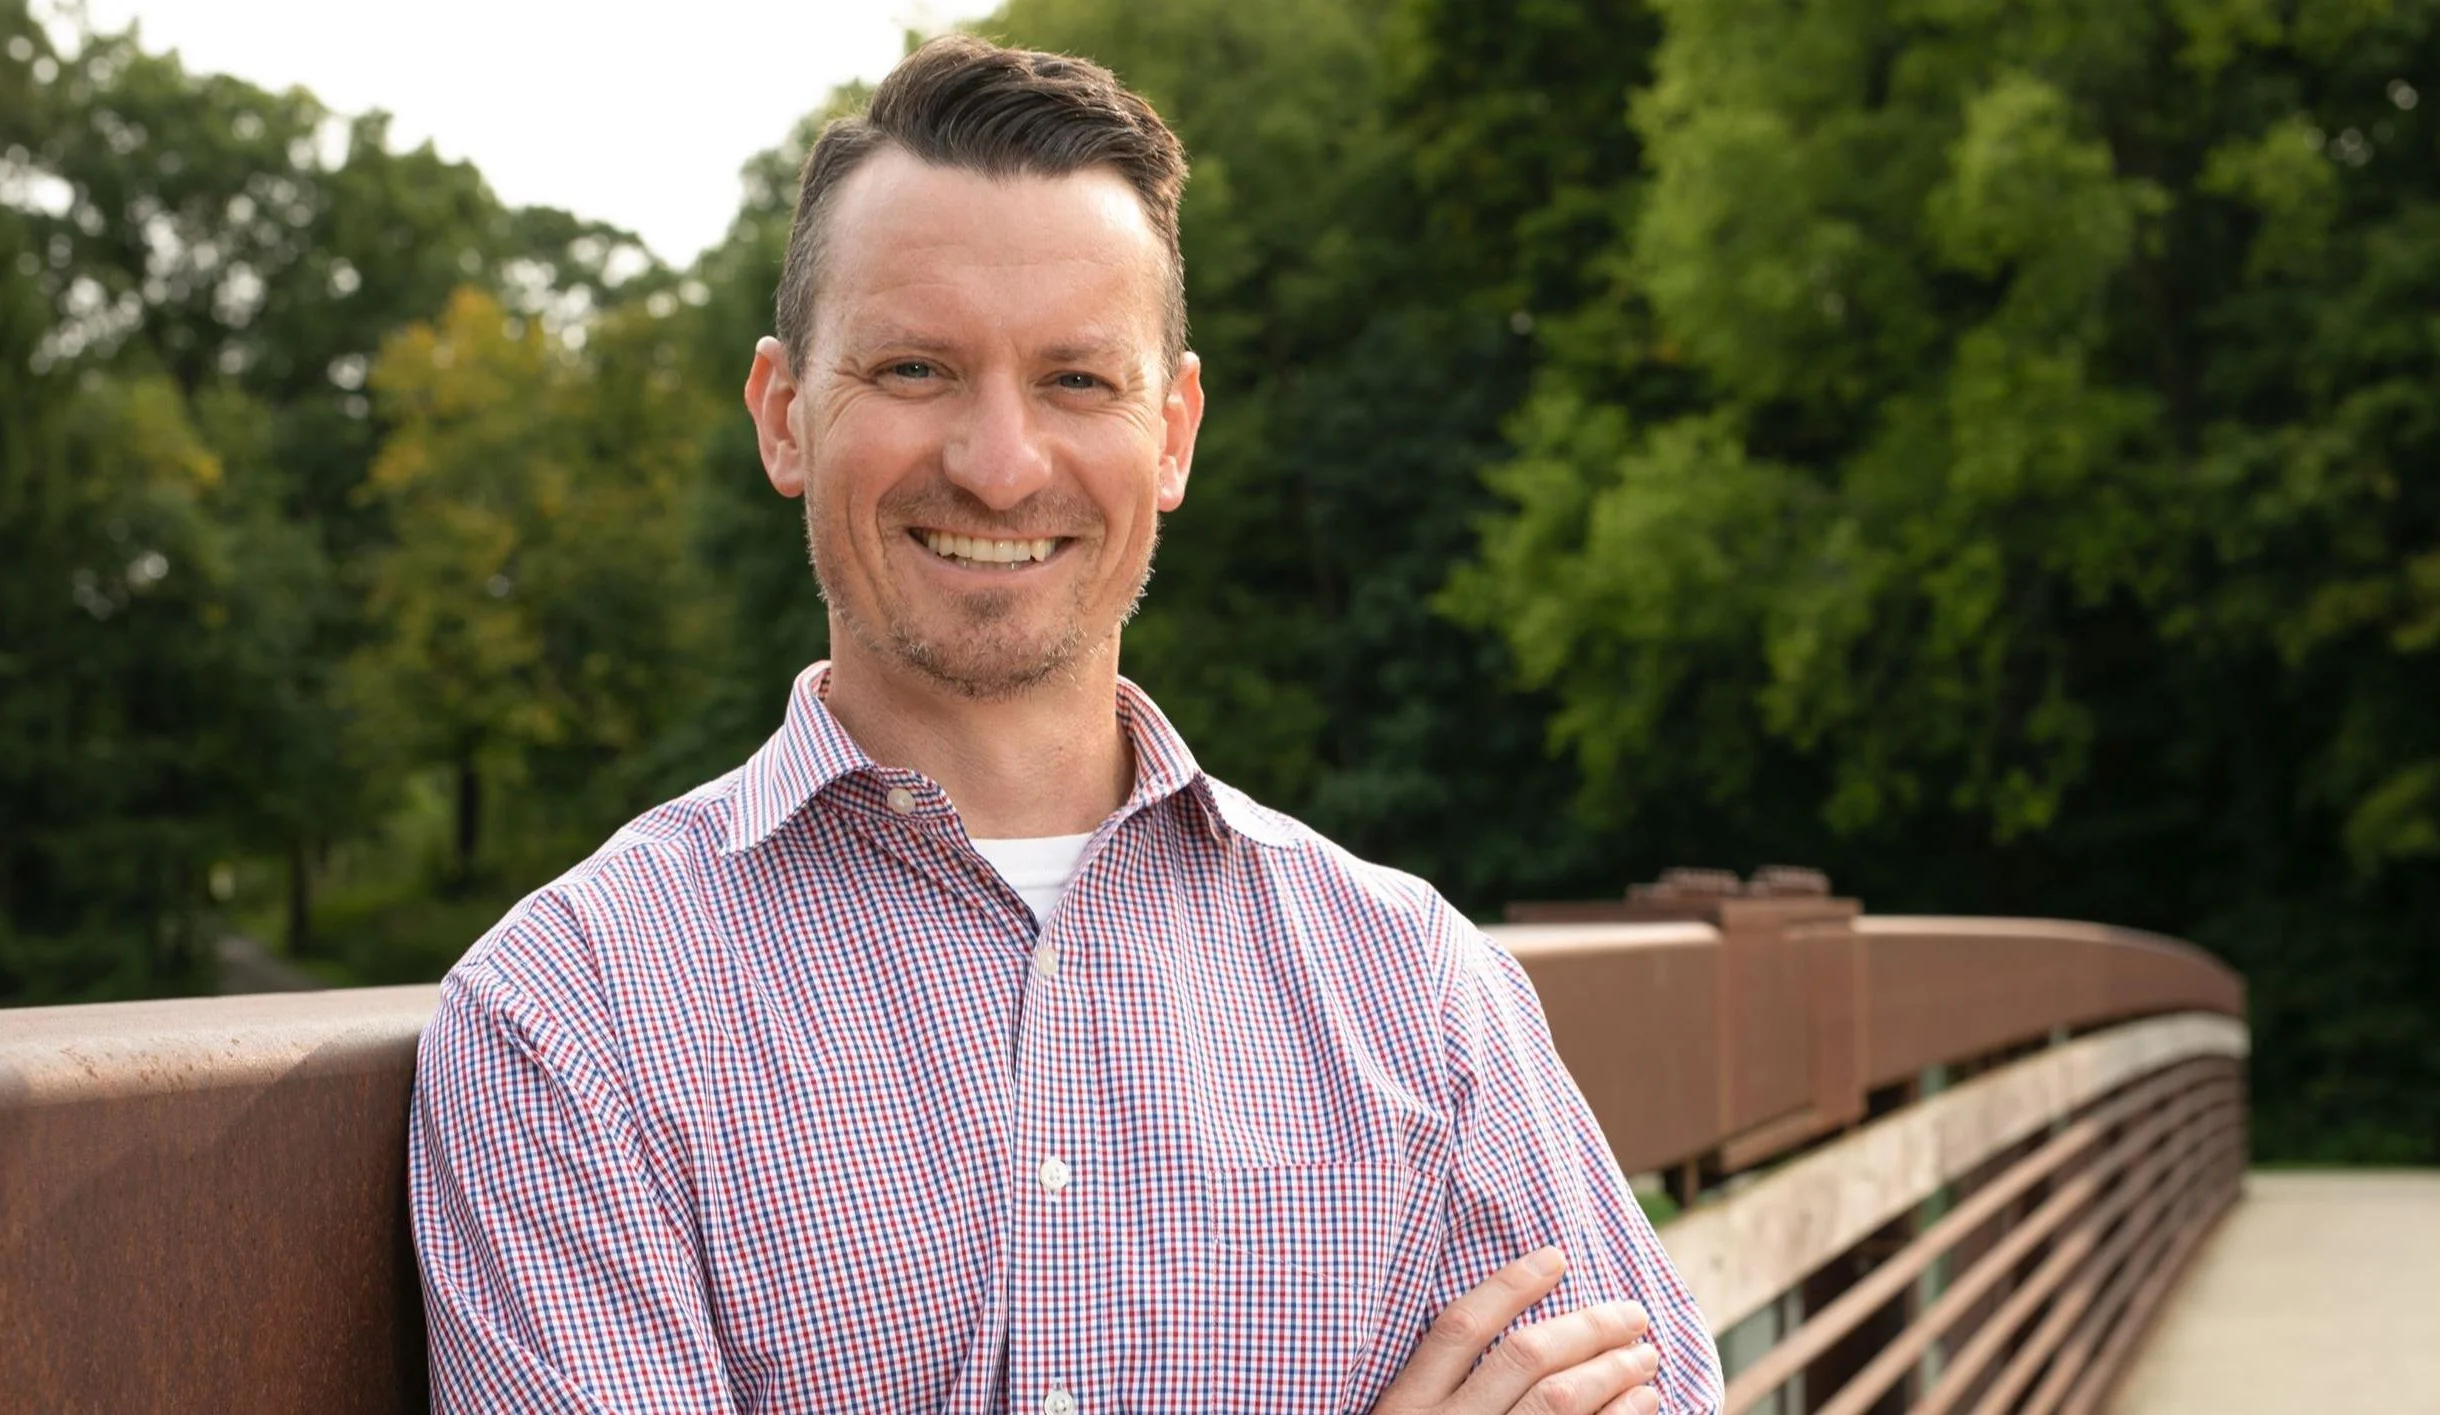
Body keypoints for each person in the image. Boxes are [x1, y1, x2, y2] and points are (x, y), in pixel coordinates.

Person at [408, 34, 1724, 1415]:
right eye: (915, 369)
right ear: (785, 413)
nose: (997, 464)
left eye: (1077, 381)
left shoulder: (1423, 995)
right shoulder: (571, 1018)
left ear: (1174, 434)